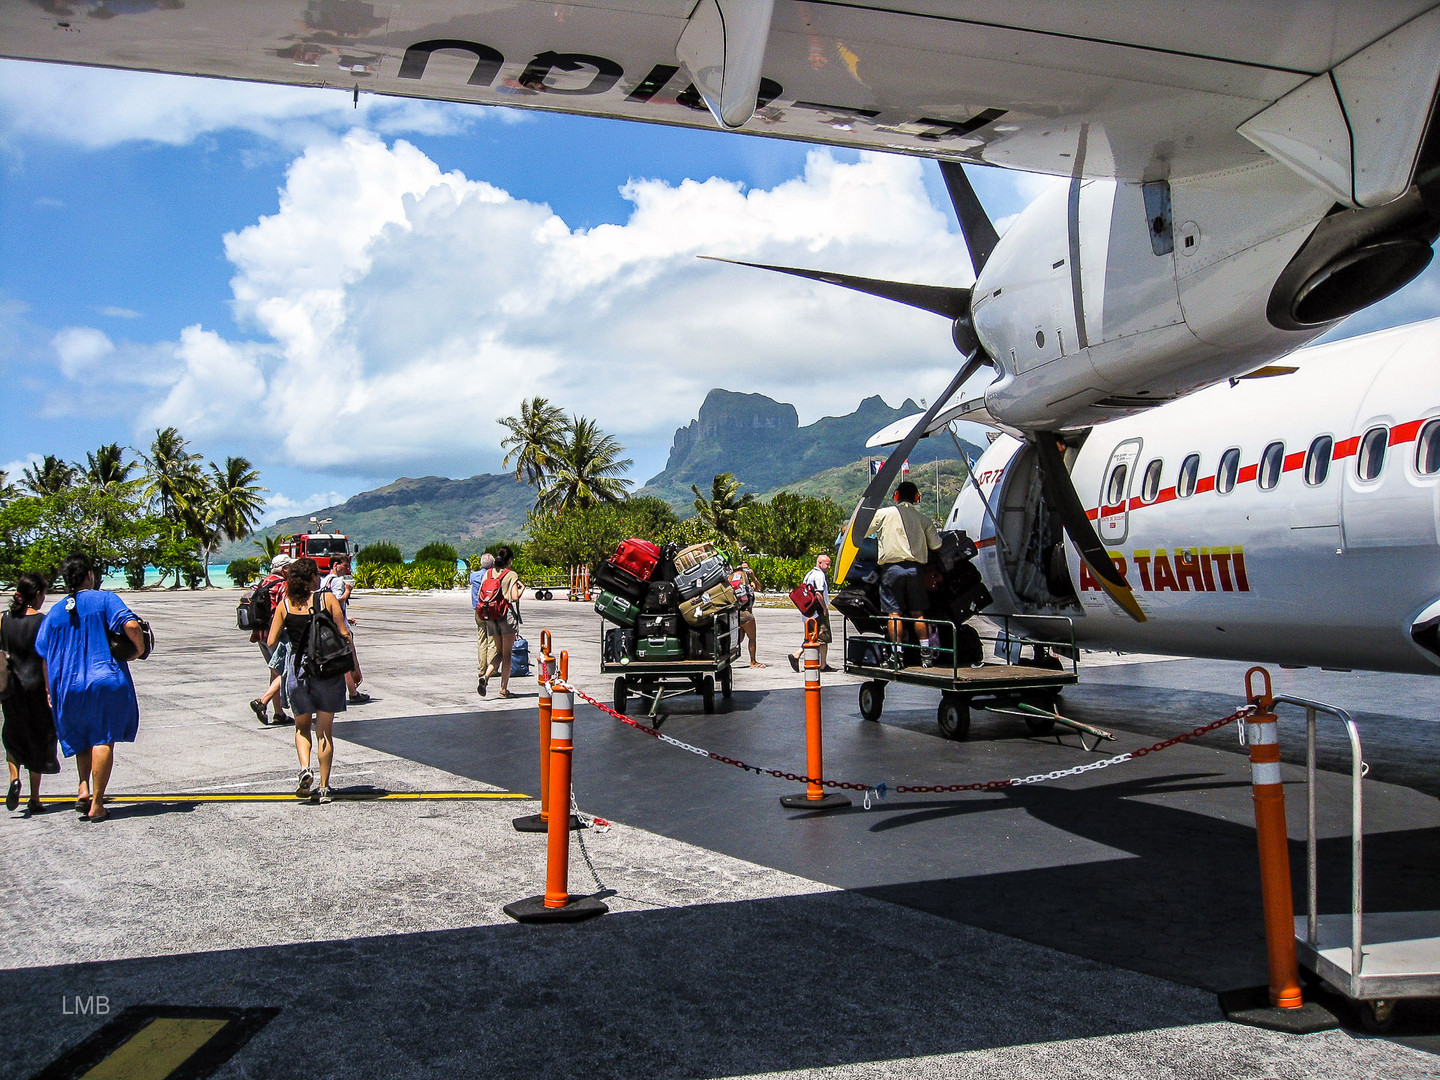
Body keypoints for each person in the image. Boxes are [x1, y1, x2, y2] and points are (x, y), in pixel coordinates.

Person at [34, 553, 144, 822]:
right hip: (104, 679)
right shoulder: (104, 599)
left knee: (82, 736)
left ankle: (83, 787)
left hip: (67, 685)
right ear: (89, 575)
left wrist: (50, 690)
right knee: (102, 737)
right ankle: (97, 803)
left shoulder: (56, 611)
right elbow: (130, 624)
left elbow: (44, 655)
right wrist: (138, 650)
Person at [266, 557, 351, 804]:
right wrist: (352, 666)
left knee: (302, 728)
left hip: (297, 671)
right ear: (313, 577)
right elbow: (344, 633)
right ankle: (325, 787)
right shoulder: (328, 599)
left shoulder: (286, 605)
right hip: (327, 669)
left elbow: (271, 641)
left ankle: (305, 768)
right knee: (324, 731)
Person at [2, 574, 59, 814]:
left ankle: (15, 778)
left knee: (14, 734)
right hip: (36, 686)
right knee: (40, 738)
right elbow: (47, 659)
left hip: (12, 688)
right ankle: (35, 798)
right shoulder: (43, 622)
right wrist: (49, 689)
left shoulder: (3, 620)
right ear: (36, 595)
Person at [869, 480, 943, 664]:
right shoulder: (923, 519)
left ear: (896, 495)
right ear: (916, 497)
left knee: (894, 613)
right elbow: (937, 544)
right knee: (918, 613)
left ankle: (897, 655)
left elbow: (861, 532)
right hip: (915, 569)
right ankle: (926, 654)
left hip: (891, 569)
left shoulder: (884, 514)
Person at [473, 546, 524, 699]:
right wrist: (522, 589)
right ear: (509, 560)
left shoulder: (488, 573)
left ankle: (486, 676)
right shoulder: (511, 574)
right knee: (507, 654)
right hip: (505, 616)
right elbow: (514, 597)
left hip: (491, 616)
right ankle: (503, 689)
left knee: (498, 652)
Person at [249, 554, 293, 725]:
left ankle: (279, 713)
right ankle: (263, 701)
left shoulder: (263, 582)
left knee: (275, 671)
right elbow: (286, 609)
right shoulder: (283, 585)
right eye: (290, 567)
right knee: (286, 669)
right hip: (278, 634)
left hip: (260, 633)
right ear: (284, 569)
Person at [321, 552, 369, 704]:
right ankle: (353, 692)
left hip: (328, 624)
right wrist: (348, 591)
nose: (347, 568)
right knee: (347, 659)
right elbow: (335, 601)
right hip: (339, 627)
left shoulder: (324, 581)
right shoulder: (337, 581)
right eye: (344, 565)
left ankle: (347, 691)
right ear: (335, 565)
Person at [789, 554, 835, 672]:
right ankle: (823, 664)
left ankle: (797, 655)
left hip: (809, 612)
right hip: (818, 611)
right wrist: (824, 608)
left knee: (811, 636)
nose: (829, 567)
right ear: (820, 563)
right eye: (828, 564)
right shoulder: (819, 575)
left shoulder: (809, 574)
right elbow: (819, 594)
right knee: (823, 637)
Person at [729, 563, 764, 667]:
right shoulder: (742, 585)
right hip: (746, 615)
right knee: (752, 638)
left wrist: (753, 576)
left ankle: (727, 659)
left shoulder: (747, 584)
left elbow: (758, 587)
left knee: (739, 639)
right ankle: (753, 662)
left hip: (736, 614)